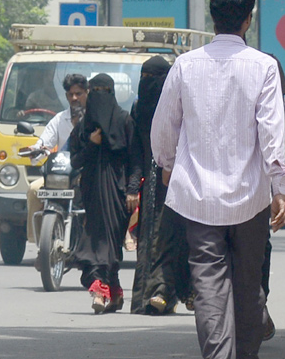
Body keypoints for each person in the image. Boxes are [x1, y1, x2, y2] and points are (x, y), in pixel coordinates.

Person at [151, 0, 285, 359]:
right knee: (248, 285)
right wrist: (278, 186)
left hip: (198, 195)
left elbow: (164, 126)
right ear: (249, 19)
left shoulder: (185, 65)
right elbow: (272, 132)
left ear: (213, 17)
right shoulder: (263, 66)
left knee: (208, 281)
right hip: (249, 197)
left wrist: (167, 165)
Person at [69, 73, 139, 313]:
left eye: (103, 91)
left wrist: (132, 191)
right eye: (94, 90)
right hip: (91, 194)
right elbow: (75, 161)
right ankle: (104, 292)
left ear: (111, 93)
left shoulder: (124, 122)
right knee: (92, 243)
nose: (99, 96)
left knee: (109, 245)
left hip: (119, 196)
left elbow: (135, 161)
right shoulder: (83, 128)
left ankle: (109, 291)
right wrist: (91, 143)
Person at [128, 56, 192, 315]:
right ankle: (149, 294)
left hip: (175, 180)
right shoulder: (138, 109)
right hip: (150, 186)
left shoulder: (179, 106)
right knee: (148, 238)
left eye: (154, 77)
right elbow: (135, 152)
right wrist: (134, 186)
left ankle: (164, 290)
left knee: (171, 237)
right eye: (144, 77)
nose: (148, 83)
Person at [23, 74, 88, 239]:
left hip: (88, 174)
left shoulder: (95, 118)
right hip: (61, 175)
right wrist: (36, 149)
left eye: (78, 93)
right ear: (66, 96)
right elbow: (44, 142)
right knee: (33, 190)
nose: (74, 98)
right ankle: (38, 241)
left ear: (87, 93)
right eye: (70, 94)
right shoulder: (59, 119)